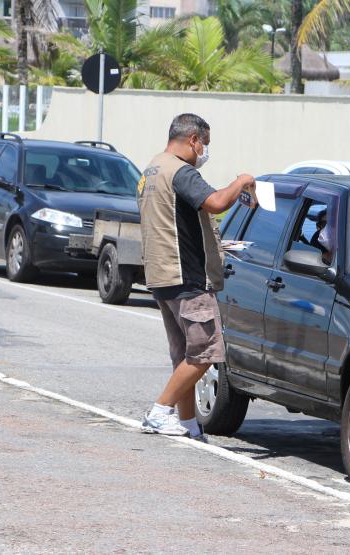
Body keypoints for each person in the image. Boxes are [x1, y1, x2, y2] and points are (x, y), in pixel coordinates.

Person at [138, 113, 255, 441]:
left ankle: (188, 424)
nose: (205, 151)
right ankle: (160, 411)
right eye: (205, 144)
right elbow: (216, 203)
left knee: (185, 356)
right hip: (187, 278)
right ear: (193, 140)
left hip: (162, 276)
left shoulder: (152, 168)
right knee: (207, 353)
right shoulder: (181, 171)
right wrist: (242, 182)